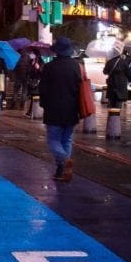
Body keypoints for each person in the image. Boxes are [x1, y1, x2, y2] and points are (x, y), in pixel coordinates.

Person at [38, 37, 81, 182]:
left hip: (54, 109)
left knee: (53, 140)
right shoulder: (76, 66)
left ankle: (64, 161)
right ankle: (61, 170)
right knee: (67, 140)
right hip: (72, 108)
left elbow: (43, 89)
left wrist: (44, 104)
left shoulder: (50, 67)